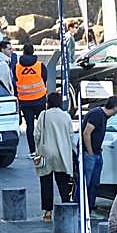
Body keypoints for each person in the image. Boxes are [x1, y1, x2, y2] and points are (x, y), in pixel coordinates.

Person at [33, 93, 74, 222]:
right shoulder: (66, 116)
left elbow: (36, 134)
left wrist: (37, 149)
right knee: (63, 182)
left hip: (46, 153)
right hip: (62, 153)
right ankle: (66, 208)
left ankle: (47, 212)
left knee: (46, 182)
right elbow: (71, 135)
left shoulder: (43, 115)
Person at [82, 96, 117, 207]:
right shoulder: (97, 115)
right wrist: (90, 152)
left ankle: (89, 207)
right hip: (91, 154)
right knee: (86, 183)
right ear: (114, 107)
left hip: (96, 152)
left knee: (94, 184)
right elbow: (86, 133)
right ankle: (81, 209)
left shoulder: (101, 115)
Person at [15, 42, 48, 154]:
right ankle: (43, 149)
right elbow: (45, 79)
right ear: (33, 52)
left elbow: (15, 82)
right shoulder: (39, 65)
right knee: (42, 125)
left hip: (24, 101)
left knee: (30, 126)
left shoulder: (17, 67)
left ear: (23, 52)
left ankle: (32, 151)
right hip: (39, 99)